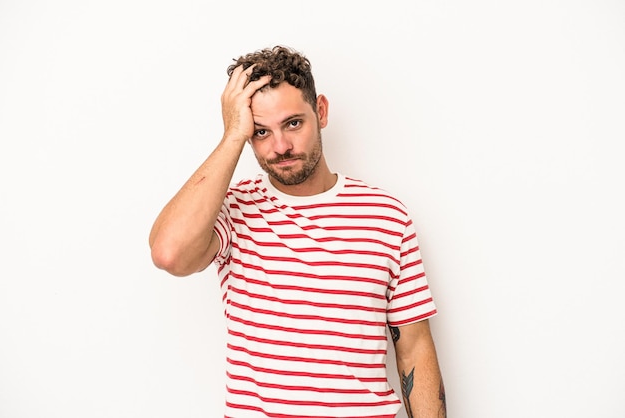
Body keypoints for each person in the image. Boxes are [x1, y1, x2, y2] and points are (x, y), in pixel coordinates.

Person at [149, 45, 446, 418]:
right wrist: (231, 136)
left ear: (320, 111)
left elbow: (415, 347)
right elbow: (169, 254)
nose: (280, 147)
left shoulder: (386, 216)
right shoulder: (232, 209)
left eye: (293, 123)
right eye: (260, 132)